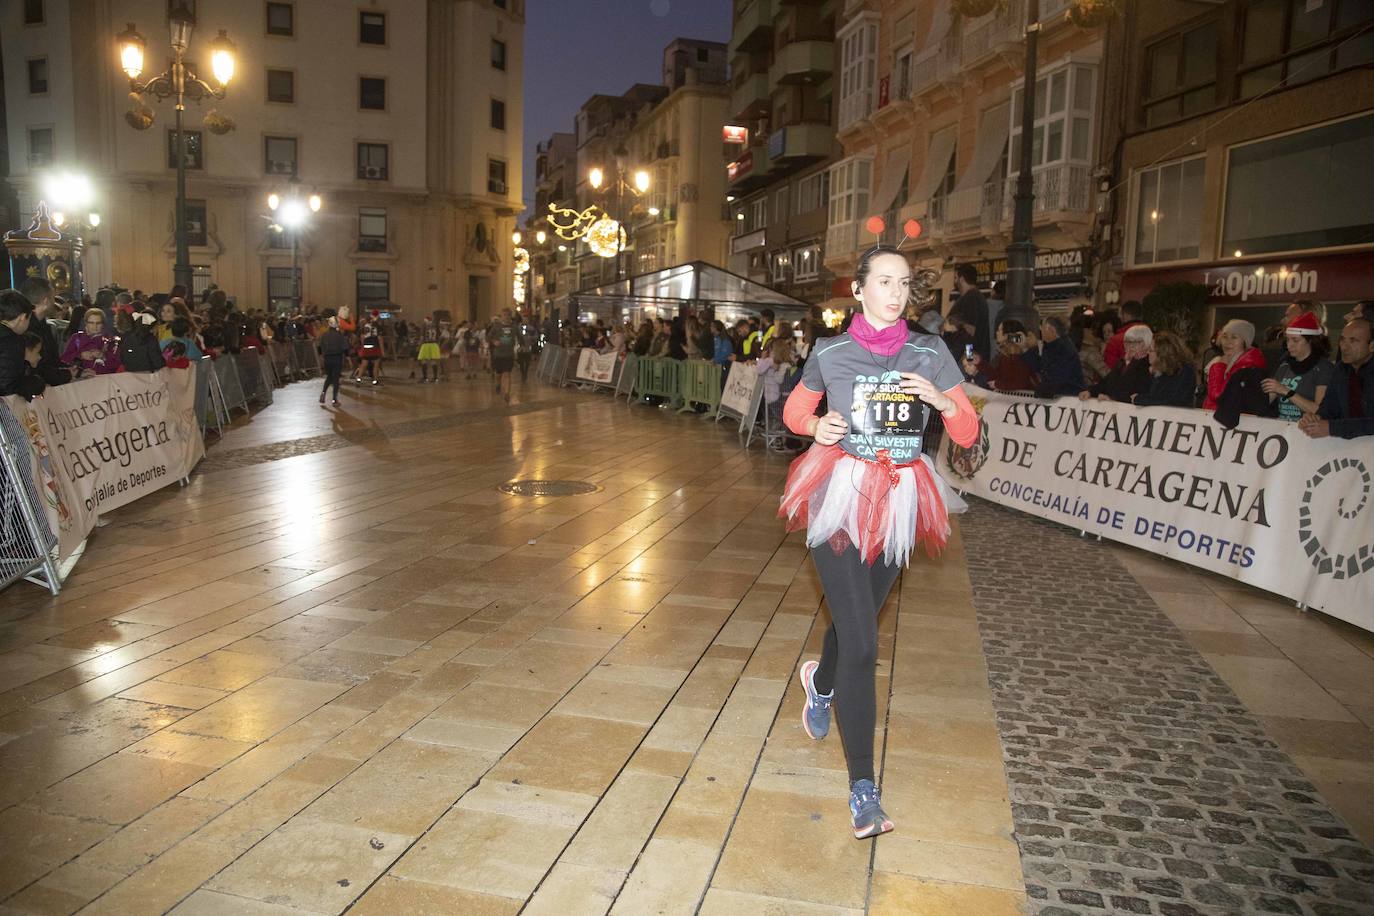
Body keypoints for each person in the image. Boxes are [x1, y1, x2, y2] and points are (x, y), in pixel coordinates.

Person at [778, 246, 979, 840]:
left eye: (904, 283)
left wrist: (941, 400)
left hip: (898, 500)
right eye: (883, 281)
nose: (895, 293)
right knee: (864, 640)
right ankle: (862, 789)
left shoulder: (930, 350)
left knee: (853, 619)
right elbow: (795, 408)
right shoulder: (832, 351)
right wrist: (817, 426)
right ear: (860, 290)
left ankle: (821, 682)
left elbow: (968, 430)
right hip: (838, 493)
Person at [1303, 317, 1373, 440]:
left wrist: (1332, 427)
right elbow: (1329, 409)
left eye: (1353, 341)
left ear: (1372, 345)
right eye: (1342, 340)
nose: (1344, 347)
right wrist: (1315, 419)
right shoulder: (1341, 370)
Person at [1261, 311, 1333, 422]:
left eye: (1295, 340)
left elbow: (1319, 410)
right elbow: (1264, 402)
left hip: (1308, 431)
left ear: (1310, 341)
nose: (1289, 345)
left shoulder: (1323, 368)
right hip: (1284, 429)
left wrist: (1287, 391)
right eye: (1288, 340)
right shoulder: (1284, 366)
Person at [1204, 319, 1268, 428]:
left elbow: (1218, 396)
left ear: (1245, 342)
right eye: (1225, 336)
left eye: (1234, 337)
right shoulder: (1228, 361)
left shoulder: (1246, 367)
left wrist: (1218, 368)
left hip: (1227, 426)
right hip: (1214, 422)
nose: (1228, 342)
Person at [17, 277, 72, 387]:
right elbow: (38, 366)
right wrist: (67, 374)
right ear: (46, 301)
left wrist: (71, 370)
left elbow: (52, 360)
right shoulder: (25, 328)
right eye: (53, 297)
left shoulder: (42, 324)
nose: (55, 302)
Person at [1080, 324, 1152, 403]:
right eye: (1127, 342)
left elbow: (1137, 391)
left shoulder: (1147, 365)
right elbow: (1107, 382)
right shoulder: (1122, 362)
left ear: (1147, 344)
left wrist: (1113, 399)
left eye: (1136, 342)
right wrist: (1090, 392)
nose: (1130, 346)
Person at [1022, 316, 1085, 398]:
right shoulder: (1052, 346)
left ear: (1051, 330)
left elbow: (1057, 379)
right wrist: (1027, 349)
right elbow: (1041, 366)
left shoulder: (1064, 349)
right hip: (1060, 397)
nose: (1040, 331)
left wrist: (1038, 390)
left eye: (1042, 327)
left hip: (1068, 398)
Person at [756, 336, 799, 451]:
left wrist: (765, 361)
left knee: (778, 419)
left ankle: (778, 439)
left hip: (775, 396)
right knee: (778, 420)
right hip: (782, 396)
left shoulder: (778, 364)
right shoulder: (788, 363)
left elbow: (775, 378)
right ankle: (779, 438)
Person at [0, 290, 45, 399]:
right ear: (22, 317)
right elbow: (7, 386)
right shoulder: (11, 341)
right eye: (29, 319)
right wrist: (35, 383)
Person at [1133, 330, 1196, 407]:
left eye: (1151, 350)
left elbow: (1171, 400)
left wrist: (1139, 399)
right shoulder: (1158, 370)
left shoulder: (1184, 371)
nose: (1147, 353)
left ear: (1162, 353)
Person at [947, 264, 991, 362]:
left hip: (967, 360)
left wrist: (969, 358)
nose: (955, 281)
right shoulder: (972, 297)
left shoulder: (972, 298)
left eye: (956, 278)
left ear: (961, 279)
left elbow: (970, 332)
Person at [62, 310, 121, 376]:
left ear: (103, 324)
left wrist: (103, 356)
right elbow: (64, 360)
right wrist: (80, 355)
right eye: (91, 323)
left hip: (103, 379)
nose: (95, 326)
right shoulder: (76, 338)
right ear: (86, 323)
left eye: (98, 323)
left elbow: (117, 364)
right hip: (80, 379)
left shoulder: (111, 340)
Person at [1102, 300, 1145, 370]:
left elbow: (1109, 369)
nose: (1119, 317)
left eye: (1121, 314)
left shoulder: (1116, 341)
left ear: (1126, 315)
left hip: (1122, 379)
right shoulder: (1152, 337)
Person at [317, 317, 350, 404]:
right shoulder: (339, 335)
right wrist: (348, 358)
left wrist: (322, 356)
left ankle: (323, 392)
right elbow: (345, 348)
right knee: (335, 378)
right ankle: (334, 399)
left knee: (329, 377)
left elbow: (320, 348)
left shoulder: (324, 335)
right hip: (337, 358)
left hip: (327, 358)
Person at [489, 308, 518, 403]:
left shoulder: (514, 327)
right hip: (498, 354)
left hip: (509, 354)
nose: (506, 317)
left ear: (510, 316)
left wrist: (522, 346)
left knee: (507, 374)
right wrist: (494, 341)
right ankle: (498, 384)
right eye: (504, 315)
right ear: (501, 317)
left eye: (508, 315)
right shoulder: (496, 327)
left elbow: (520, 337)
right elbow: (488, 336)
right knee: (499, 374)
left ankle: (506, 393)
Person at [416, 316, 442, 383]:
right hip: (434, 344)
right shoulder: (436, 327)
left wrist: (419, 346)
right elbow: (439, 337)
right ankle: (435, 378)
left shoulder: (424, 327)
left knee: (424, 360)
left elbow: (422, 337)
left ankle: (425, 378)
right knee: (433, 361)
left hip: (426, 344)